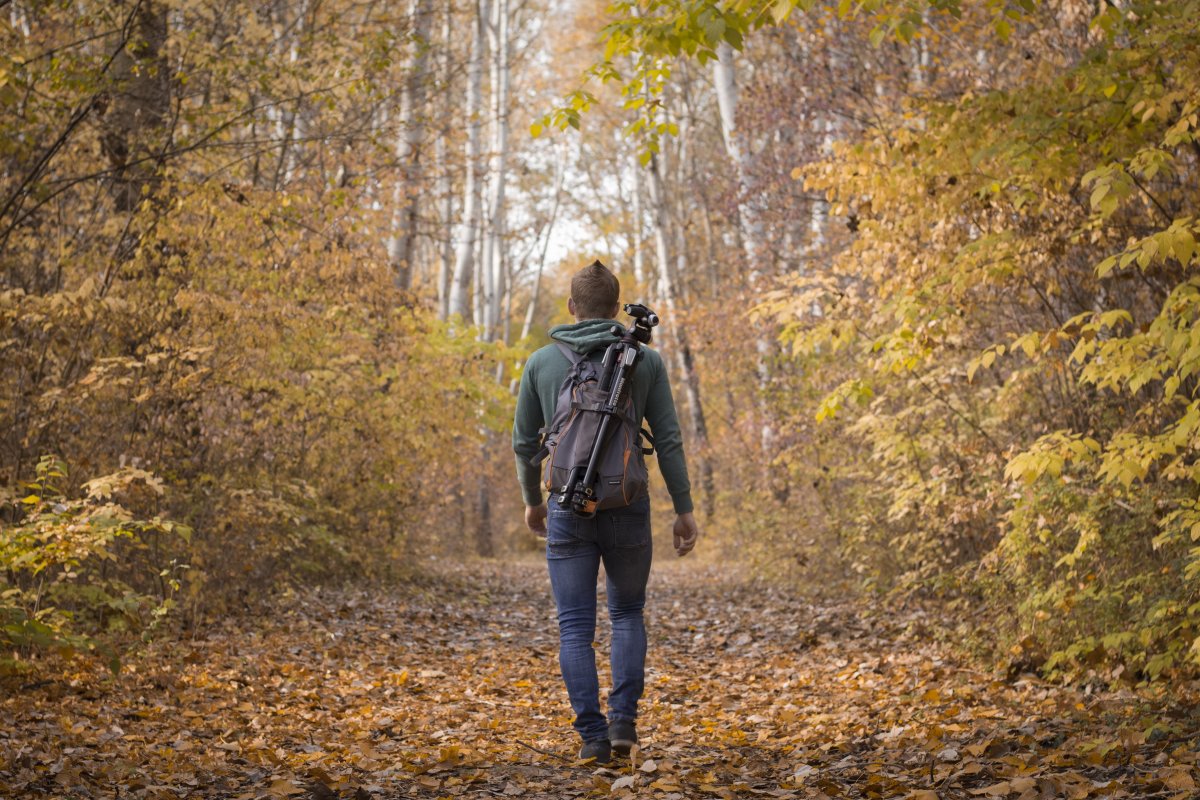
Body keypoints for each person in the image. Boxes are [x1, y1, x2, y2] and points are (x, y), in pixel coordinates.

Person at [512, 260, 700, 765]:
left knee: (575, 626)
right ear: (617, 310)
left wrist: (534, 500)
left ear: (571, 309)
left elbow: (523, 443)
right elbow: (670, 441)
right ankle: (623, 726)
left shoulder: (541, 363)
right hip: (627, 504)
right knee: (626, 614)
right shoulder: (644, 361)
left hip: (567, 507)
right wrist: (683, 509)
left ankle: (591, 737)